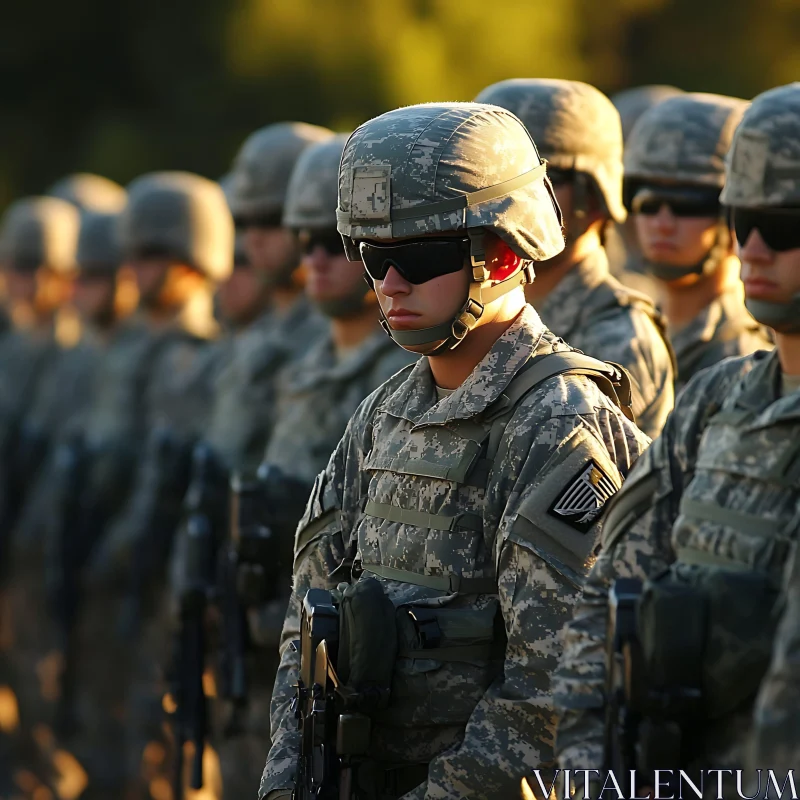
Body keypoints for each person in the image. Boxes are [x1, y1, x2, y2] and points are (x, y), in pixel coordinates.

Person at [260, 101, 650, 800]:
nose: (389, 285)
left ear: (502, 250)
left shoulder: (554, 425)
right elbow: (305, 631)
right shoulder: (383, 413)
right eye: (373, 257)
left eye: (419, 256)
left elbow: (554, 690)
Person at [553, 82, 800, 795]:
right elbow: (609, 595)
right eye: (741, 216)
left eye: (783, 227)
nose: (752, 246)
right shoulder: (714, 400)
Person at [212, 132, 419, 799]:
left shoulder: (403, 379)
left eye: (338, 244)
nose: (319, 262)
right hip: (276, 635)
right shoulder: (299, 369)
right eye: (307, 245)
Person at [56, 172, 233, 798]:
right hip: (114, 581)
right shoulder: (129, 354)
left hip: (163, 590)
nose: (134, 269)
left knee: (154, 767)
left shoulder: (210, 359)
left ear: (195, 256)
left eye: (151, 254)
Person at [475, 78, 675, 438]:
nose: (502, 203)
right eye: (489, 182)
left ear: (593, 197)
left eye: (532, 179)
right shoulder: (475, 316)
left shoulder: (617, 340)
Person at [624, 92, 773, 388]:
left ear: (734, 215)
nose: (662, 224)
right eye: (647, 203)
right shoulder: (626, 332)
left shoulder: (743, 361)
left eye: (688, 206)